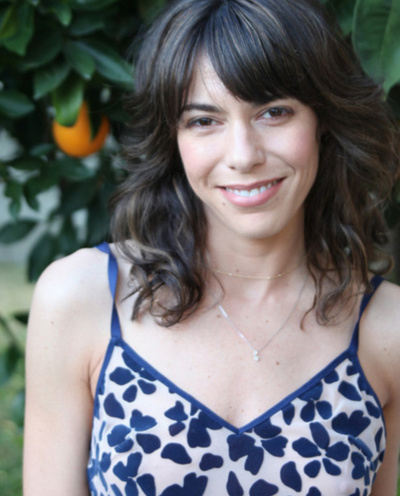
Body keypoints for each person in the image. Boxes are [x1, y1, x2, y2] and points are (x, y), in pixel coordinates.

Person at [23, 0, 400, 494]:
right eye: (204, 121)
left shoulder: (387, 328)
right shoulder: (84, 296)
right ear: (173, 137)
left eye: (274, 112)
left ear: (322, 120)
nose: (243, 155)